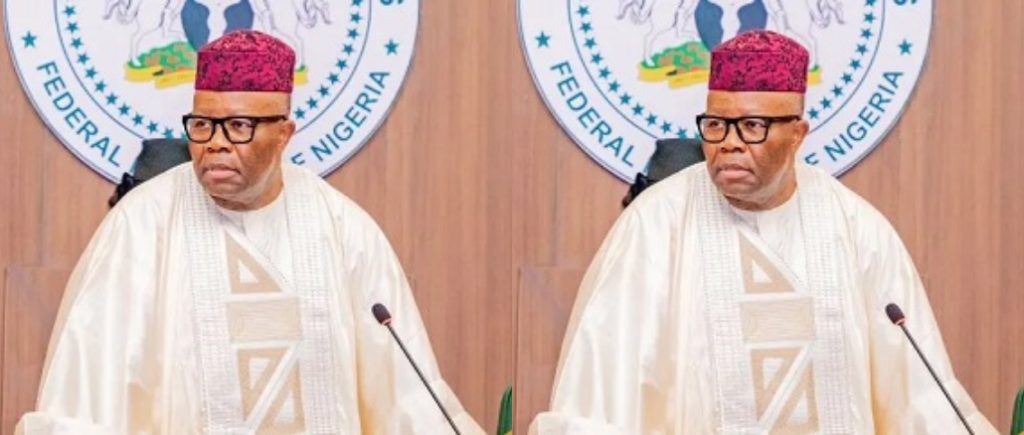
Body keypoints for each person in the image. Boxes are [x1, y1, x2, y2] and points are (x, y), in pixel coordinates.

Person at [530, 30, 997, 434]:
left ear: (797, 134)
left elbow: (919, 398)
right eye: (716, 125)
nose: (729, 143)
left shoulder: (857, 229)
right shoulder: (654, 226)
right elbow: (600, 397)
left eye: (752, 126)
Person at [17, 30, 483, 435]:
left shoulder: (344, 229)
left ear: (284, 134)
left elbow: (405, 399)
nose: (215, 143)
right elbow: (87, 398)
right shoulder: (140, 227)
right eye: (203, 125)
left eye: (238, 126)